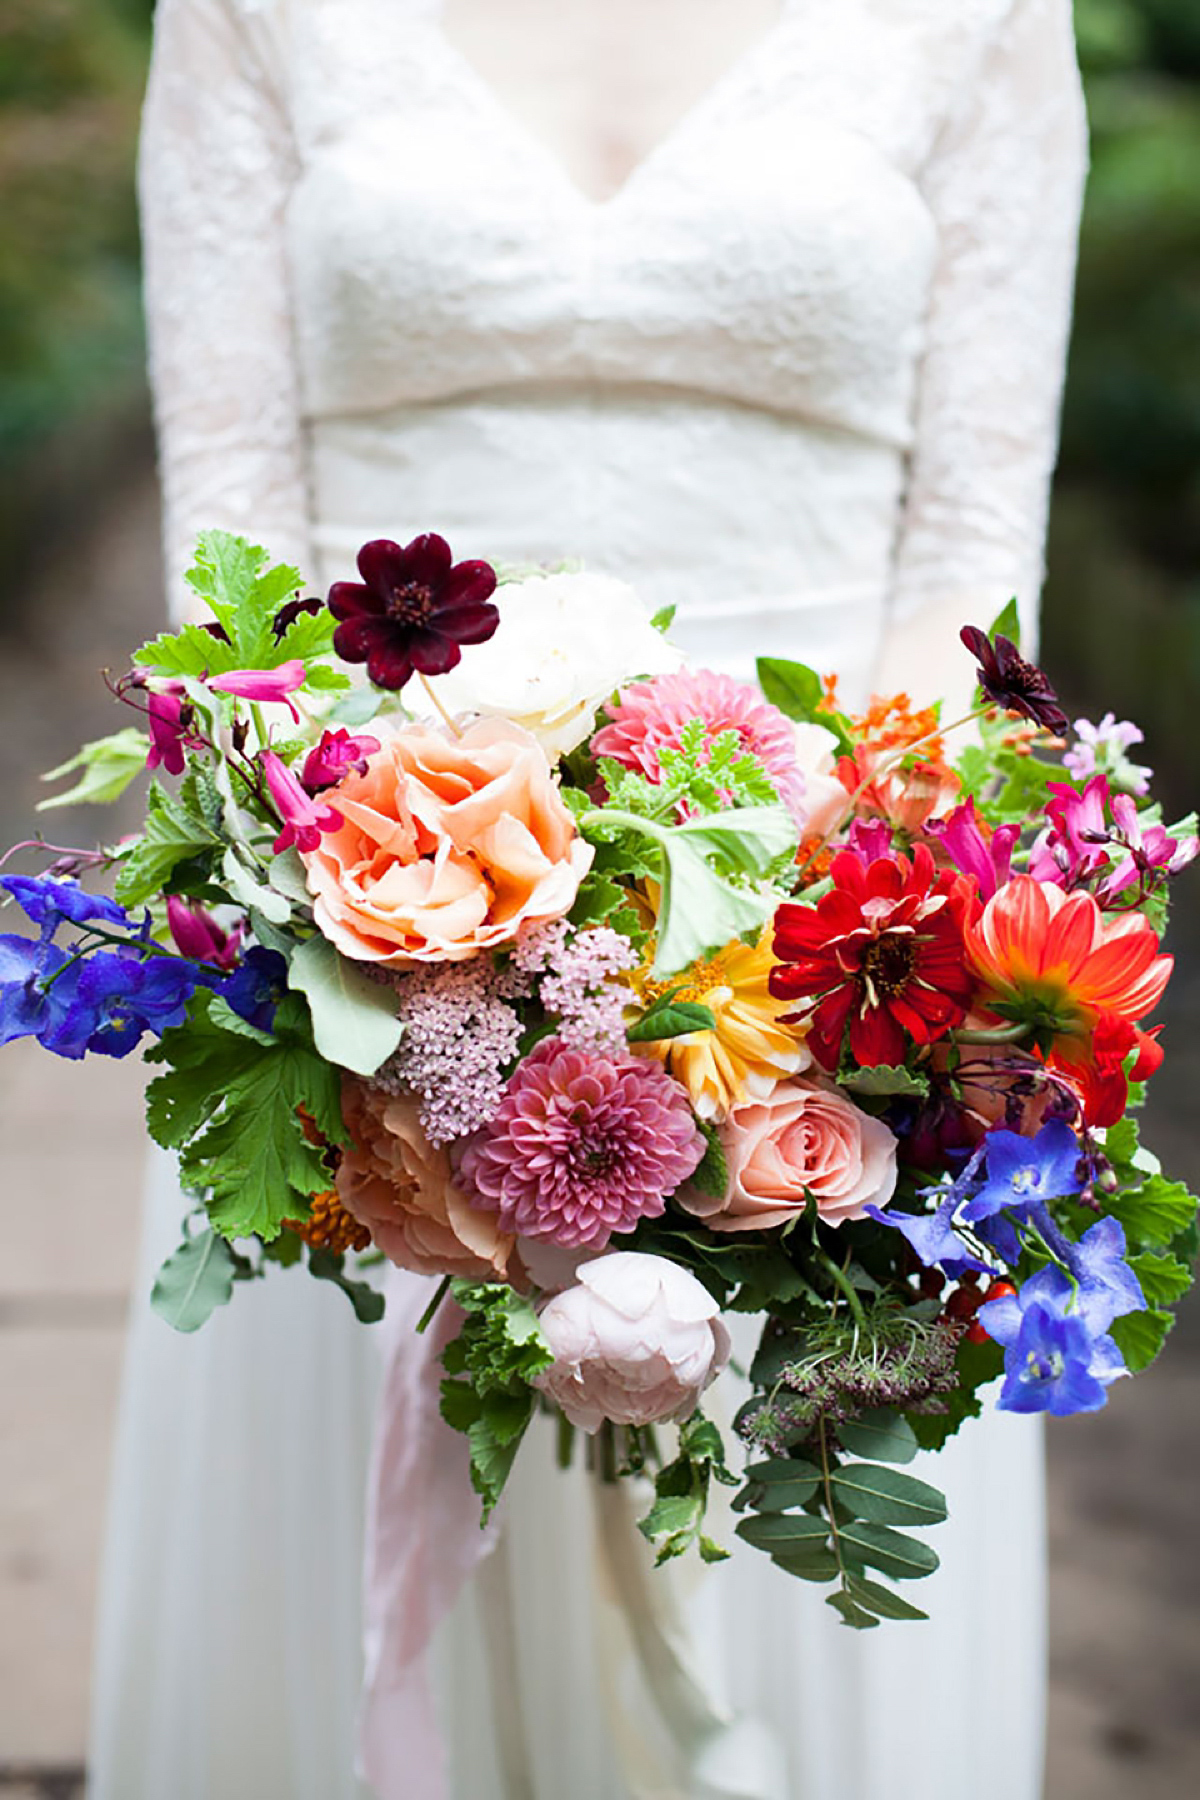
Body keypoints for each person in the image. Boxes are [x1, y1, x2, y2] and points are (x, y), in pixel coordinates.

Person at [88, 2, 1087, 1796]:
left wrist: (826, 948)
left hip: (812, 957)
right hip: (372, 930)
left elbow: (970, 553)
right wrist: (389, 921)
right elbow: (230, 516)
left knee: (780, 1499)